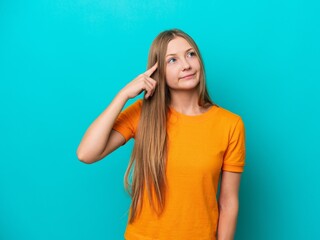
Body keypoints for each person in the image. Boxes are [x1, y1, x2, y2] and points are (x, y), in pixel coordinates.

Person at [77, 28, 246, 240]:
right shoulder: (143, 114)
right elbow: (86, 153)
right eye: (172, 60)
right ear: (158, 72)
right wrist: (123, 96)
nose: (186, 65)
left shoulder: (230, 124)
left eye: (190, 54)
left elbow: (228, 202)